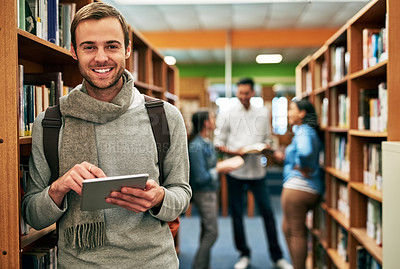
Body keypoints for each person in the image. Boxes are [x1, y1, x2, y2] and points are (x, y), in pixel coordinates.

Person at [21, 2, 191, 268]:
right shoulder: (51, 122)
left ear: (127, 49)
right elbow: (33, 215)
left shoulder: (165, 117)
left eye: (111, 46)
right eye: (89, 47)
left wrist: (159, 198)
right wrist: (59, 187)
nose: (101, 58)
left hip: (155, 262)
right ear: (74, 52)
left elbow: (181, 195)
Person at [214, 78, 292, 269]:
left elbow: (268, 140)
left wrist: (269, 148)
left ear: (253, 92)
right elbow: (218, 144)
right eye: (240, 93)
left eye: (246, 93)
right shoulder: (227, 112)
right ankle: (244, 254)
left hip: (258, 171)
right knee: (237, 215)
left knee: (268, 213)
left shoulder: (263, 112)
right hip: (236, 172)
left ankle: (277, 257)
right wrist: (237, 152)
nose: (243, 97)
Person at [274, 99, 324, 269]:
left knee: (295, 232)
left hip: (299, 187)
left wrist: (300, 164)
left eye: (291, 109)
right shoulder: (306, 130)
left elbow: (306, 152)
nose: (289, 113)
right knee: (287, 228)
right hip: (303, 186)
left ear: (302, 113)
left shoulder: (303, 130)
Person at [188, 110, 240, 269]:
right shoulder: (196, 146)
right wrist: (219, 169)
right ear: (205, 122)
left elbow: (210, 166)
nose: (214, 120)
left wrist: (222, 167)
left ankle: (203, 266)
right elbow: (200, 177)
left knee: (206, 231)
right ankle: (198, 266)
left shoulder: (207, 142)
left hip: (211, 191)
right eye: (211, 117)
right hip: (203, 193)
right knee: (212, 233)